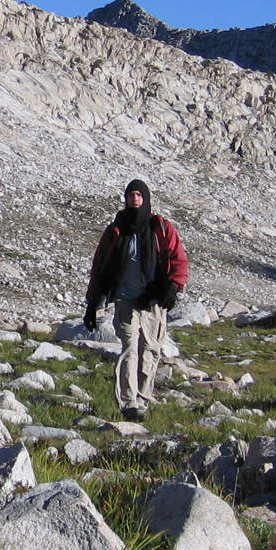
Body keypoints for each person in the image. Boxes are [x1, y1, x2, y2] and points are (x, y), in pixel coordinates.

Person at [83, 179, 189, 419]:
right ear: (126, 199)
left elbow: (179, 259)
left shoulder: (161, 228)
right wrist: (93, 303)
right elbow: (100, 267)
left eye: (139, 195)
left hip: (153, 301)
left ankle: (143, 399)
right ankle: (129, 403)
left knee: (150, 350)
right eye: (131, 195)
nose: (135, 199)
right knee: (130, 349)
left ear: (146, 198)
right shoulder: (116, 230)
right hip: (125, 299)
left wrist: (173, 287)